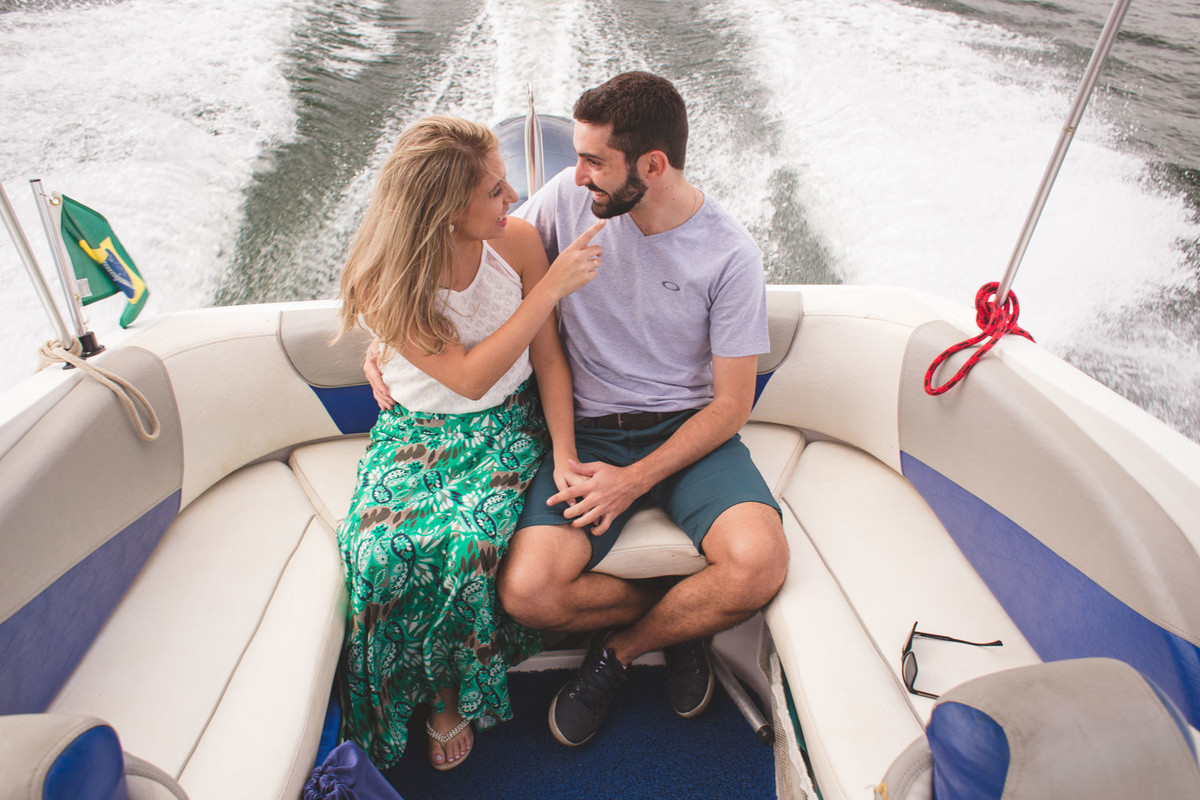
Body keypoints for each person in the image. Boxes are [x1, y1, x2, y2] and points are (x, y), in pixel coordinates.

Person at [335, 115, 604, 771]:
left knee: (468, 542)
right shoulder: (383, 277)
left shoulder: (515, 242)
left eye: (506, 183)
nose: (510, 200)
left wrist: (564, 452)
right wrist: (549, 291)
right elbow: (468, 375)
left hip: (506, 422)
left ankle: (450, 693)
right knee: (378, 551)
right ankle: (424, 697)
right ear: (443, 210)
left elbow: (549, 362)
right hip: (419, 427)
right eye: (493, 191)